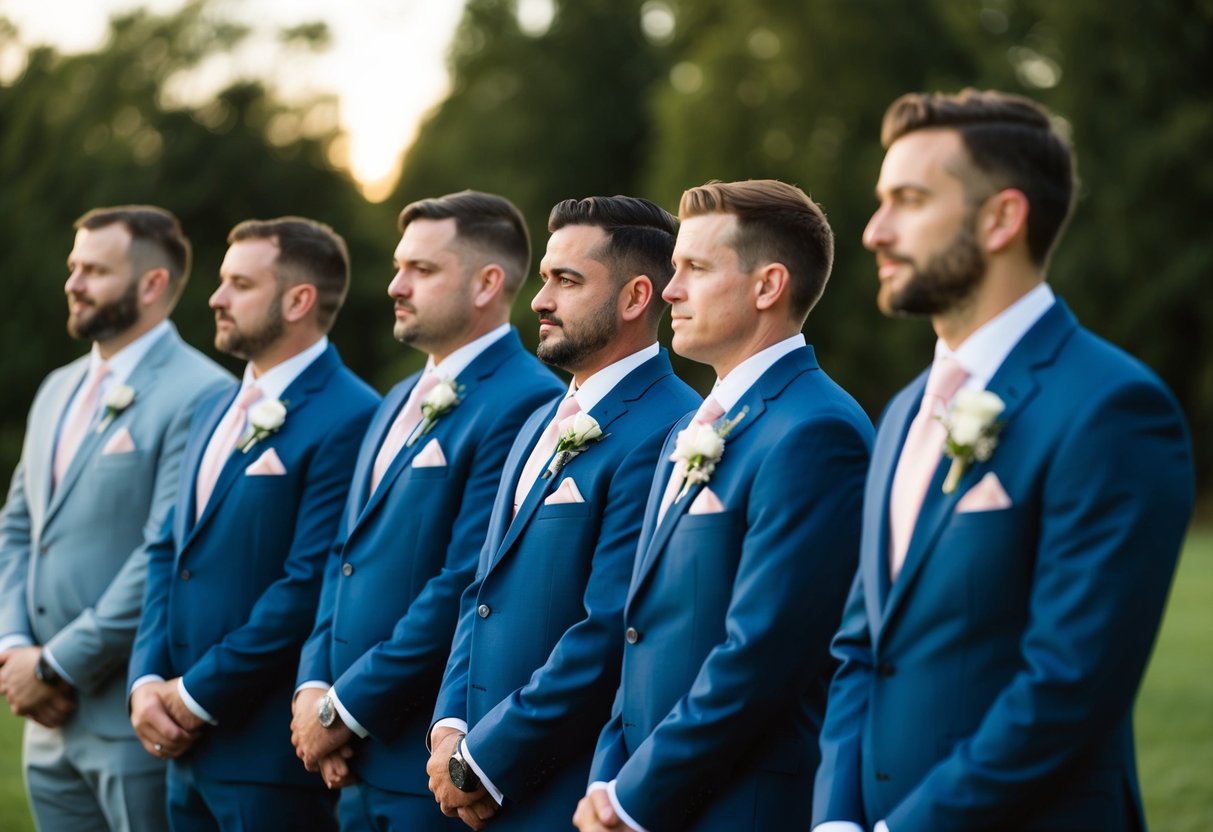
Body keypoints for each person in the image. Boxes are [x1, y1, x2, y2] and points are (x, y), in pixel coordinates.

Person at [811, 89, 1195, 832]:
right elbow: (860, 647)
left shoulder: (1112, 410)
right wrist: (835, 819)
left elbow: (1068, 686)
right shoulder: (900, 414)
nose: (873, 232)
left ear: (1001, 219)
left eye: (909, 200)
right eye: (879, 201)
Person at [573, 179, 873, 832]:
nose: (670, 290)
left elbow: (762, 656)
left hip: (740, 807)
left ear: (767, 286)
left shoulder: (815, 432)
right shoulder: (691, 427)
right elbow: (641, 627)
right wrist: (607, 779)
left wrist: (631, 799)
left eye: (694, 269)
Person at [289, 190, 564, 830]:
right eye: (398, 266)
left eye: (423, 270)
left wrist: (344, 709)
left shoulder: (528, 403)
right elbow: (345, 555)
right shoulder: (394, 400)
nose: (395, 285)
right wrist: (313, 690)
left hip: (424, 766)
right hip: (350, 758)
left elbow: (464, 579)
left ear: (486, 283)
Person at [426, 195, 701, 830]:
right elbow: (482, 592)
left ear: (636, 298)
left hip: (561, 790)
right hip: (470, 782)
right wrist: (449, 730)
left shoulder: (672, 430)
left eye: (567, 281)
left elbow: (606, 630)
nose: (540, 300)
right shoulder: (535, 424)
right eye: (545, 277)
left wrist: (486, 759)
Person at [127, 216, 380, 831]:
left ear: (298, 300)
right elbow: (168, 550)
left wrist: (193, 696)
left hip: (267, 754)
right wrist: (145, 682)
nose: (215, 298)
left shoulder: (352, 415)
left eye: (239, 284)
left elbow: (307, 585)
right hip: (181, 748)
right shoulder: (214, 406)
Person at [0, 206, 230, 832]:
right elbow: (19, 526)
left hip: (131, 717)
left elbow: (166, 550)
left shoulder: (204, 394)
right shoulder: (57, 388)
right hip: (45, 720)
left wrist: (58, 664)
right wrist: (16, 648)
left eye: (94, 270)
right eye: (74, 267)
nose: (72, 282)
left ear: (152, 285)